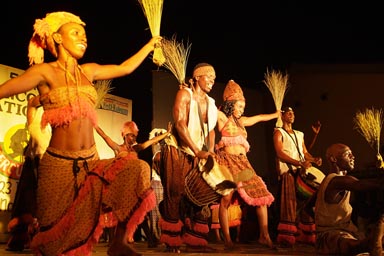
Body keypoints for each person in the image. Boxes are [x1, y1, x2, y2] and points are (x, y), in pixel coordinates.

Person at [0, 11, 162, 256]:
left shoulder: (89, 71)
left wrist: (150, 45)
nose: (83, 38)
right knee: (56, 245)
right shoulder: (44, 72)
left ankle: (119, 243)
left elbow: (124, 68)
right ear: (57, 37)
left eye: (85, 35)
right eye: (75, 33)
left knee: (137, 169)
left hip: (91, 163)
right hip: (58, 167)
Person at [158, 62, 218, 253]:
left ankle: (196, 240)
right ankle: (171, 241)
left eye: (214, 78)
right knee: (174, 193)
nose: (212, 81)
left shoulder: (211, 103)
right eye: (208, 76)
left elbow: (211, 131)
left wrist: (208, 150)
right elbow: (180, 124)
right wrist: (196, 150)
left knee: (201, 195)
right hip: (178, 150)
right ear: (197, 76)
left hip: (198, 152)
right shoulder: (184, 95)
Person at [215, 79, 279, 249]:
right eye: (240, 106)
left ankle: (264, 236)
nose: (242, 110)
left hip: (244, 164)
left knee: (261, 195)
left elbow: (258, 118)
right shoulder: (222, 117)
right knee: (226, 198)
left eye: (243, 107)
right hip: (228, 162)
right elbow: (206, 108)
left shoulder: (241, 121)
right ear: (230, 104)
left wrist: (275, 114)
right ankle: (227, 239)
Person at [95, 121, 171, 246]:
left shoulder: (136, 148)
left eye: (135, 136)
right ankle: (114, 241)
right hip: (121, 186)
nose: (133, 138)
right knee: (116, 212)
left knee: (140, 213)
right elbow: (104, 136)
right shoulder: (118, 148)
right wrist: (94, 124)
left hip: (133, 187)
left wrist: (167, 133)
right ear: (124, 135)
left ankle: (151, 240)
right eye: (131, 135)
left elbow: (150, 142)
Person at [315, 143, 384, 256]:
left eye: (352, 154)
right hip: (329, 237)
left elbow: (309, 206)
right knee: (347, 244)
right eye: (348, 154)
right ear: (333, 159)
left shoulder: (327, 181)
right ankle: (370, 243)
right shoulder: (337, 180)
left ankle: (371, 243)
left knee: (355, 241)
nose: (353, 157)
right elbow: (360, 184)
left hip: (344, 232)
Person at [273, 106, 323, 247]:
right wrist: (299, 163)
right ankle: (286, 237)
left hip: (300, 171)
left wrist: (314, 159)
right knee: (289, 203)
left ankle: (306, 235)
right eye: (288, 113)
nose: (292, 115)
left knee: (306, 201)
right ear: (282, 116)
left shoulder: (299, 134)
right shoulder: (278, 132)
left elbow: (305, 152)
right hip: (288, 172)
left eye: (293, 113)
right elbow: (279, 153)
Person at [7, 95, 51, 251]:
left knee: (40, 203)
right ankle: (21, 237)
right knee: (27, 202)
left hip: (46, 158)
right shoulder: (37, 104)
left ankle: (38, 237)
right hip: (36, 159)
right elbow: (35, 136)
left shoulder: (53, 109)